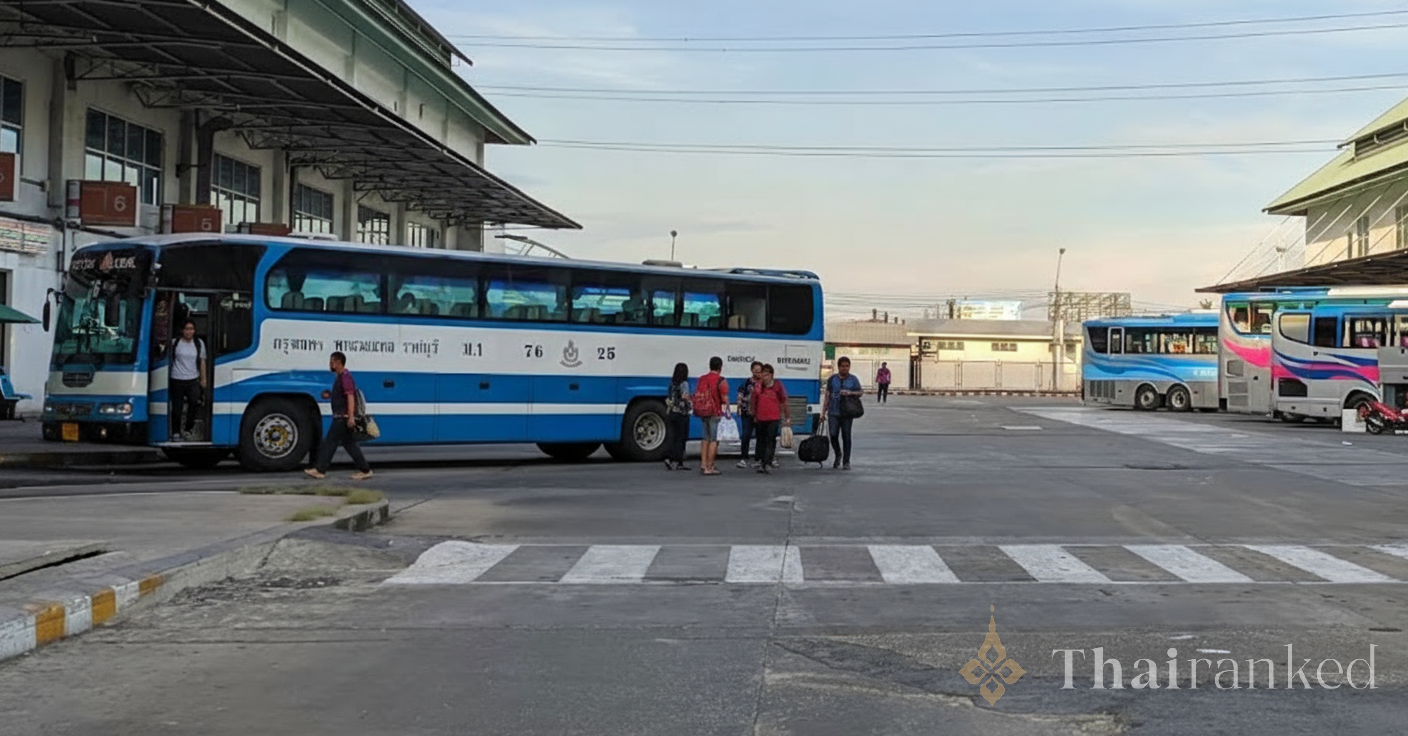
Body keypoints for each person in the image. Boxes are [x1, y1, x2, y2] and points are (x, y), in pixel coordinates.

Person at [305, 351, 373, 480]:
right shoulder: (340, 377)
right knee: (349, 444)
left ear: (339, 363)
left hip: (343, 417)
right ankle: (365, 470)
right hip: (341, 416)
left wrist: (351, 416)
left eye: (332, 362)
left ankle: (320, 470)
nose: (330, 365)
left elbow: (350, 396)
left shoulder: (345, 377)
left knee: (330, 442)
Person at [168, 320, 206, 441]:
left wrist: (203, 378)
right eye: (187, 329)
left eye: (191, 329)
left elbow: (202, 361)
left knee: (194, 403)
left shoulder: (199, 343)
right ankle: (175, 432)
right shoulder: (175, 343)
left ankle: (187, 429)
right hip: (177, 378)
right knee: (177, 408)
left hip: (193, 379)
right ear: (182, 330)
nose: (189, 331)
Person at [749, 364, 791, 475]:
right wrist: (754, 415)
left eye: (766, 374)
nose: (764, 376)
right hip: (761, 418)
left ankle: (767, 462)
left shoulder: (777, 386)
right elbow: (753, 402)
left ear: (771, 375)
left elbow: (784, 401)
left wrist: (787, 416)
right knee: (761, 440)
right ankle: (762, 462)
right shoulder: (758, 387)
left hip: (774, 418)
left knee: (770, 440)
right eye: (763, 374)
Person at [824, 356, 864, 470]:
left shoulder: (853, 379)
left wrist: (850, 393)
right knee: (833, 435)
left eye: (847, 366)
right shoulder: (832, 380)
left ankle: (846, 461)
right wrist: (823, 413)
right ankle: (838, 454)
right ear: (838, 367)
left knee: (846, 436)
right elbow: (827, 395)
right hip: (833, 411)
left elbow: (860, 392)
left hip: (847, 412)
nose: (845, 368)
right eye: (842, 366)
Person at [695, 356, 731, 476]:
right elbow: (724, 398)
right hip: (714, 411)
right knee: (714, 439)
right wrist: (728, 412)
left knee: (705, 438)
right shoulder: (721, 380)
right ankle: (709, 467)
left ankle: (703, 463)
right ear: (720, 367)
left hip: (703, 411)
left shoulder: (702, 379)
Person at [665, 362, 693, 470]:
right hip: (682, 413)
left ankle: (670, 458)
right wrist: (691, 400)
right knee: (682, 438)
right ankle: (677, 460)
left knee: (674, 436)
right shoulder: (684, 383)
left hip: (672, 412)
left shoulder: (672, 383)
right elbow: (685, 396)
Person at [736, 361, 763, 469]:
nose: (757, 373)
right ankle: (743, 457)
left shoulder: (764, 384)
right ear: (752, 370)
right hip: (747, 412)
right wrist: (738, 407)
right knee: (746, 435)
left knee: (760, 436)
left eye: (759, 371)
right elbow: (740, 395)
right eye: (755, 371)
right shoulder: (746, 382)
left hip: (760, 413)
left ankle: (758, 458)